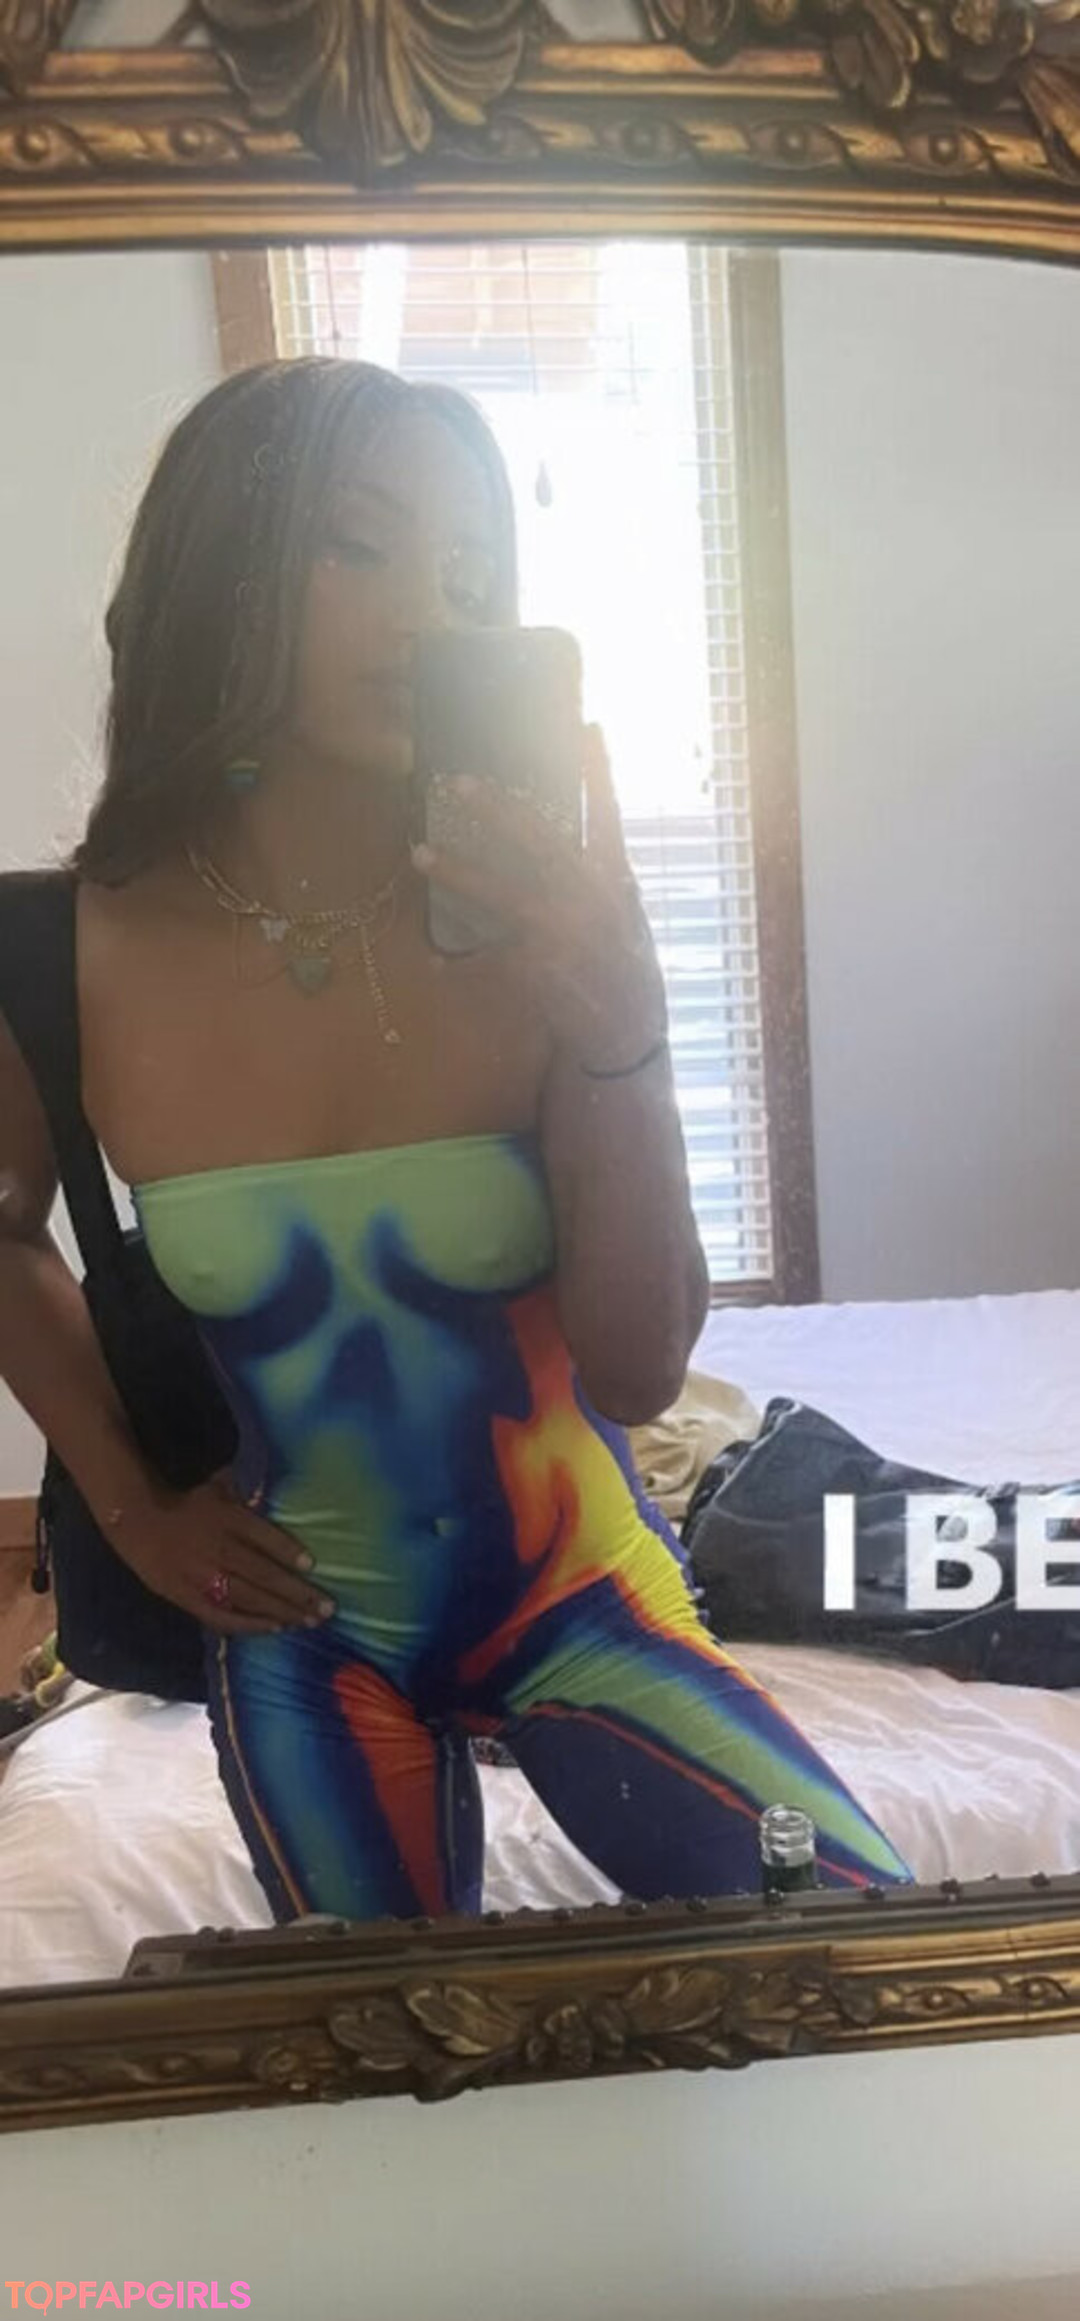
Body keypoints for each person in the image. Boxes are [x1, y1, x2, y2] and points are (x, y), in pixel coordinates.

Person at [0, 359, 911, 1919]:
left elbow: (639, 1368)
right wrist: (137, 1511)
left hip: (584, 1592)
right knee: (391, 2038)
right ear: (219, 562)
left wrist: (623, 1025)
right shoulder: (61, 951)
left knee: (863, 1953)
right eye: (361, 545)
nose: (431, 609)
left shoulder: (533, 918)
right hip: (307, 1632)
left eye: (472, 572)